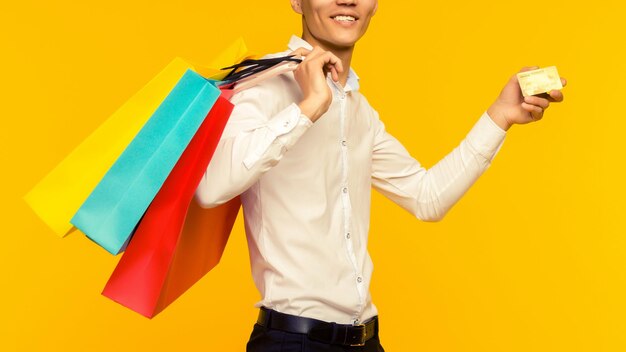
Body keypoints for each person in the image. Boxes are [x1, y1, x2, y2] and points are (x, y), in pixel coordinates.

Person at [194, 0, 567, 350]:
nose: (347, 1)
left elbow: (427, 197)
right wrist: (308, 107)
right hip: (293, 340)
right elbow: (211, 188)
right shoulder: (261, 88)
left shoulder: (358, 109)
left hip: (365, 338)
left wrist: (499, 116)